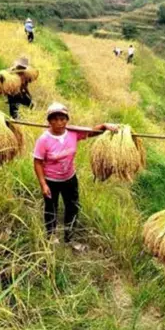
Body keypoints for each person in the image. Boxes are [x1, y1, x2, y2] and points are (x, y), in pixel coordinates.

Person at [33, 102, 118, 248]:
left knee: (72, 206)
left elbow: (91, 132)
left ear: (67, 119)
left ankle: (69, 236)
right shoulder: (44, 140)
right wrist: (43, 184)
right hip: (51, 180)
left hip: (69, 179)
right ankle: (51, 236)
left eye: (62, 119)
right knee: (50, 208)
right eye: (55, 119)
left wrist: (105, 126)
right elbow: (38, 162)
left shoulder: (72, 132)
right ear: (49, 121)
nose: (59, 123)